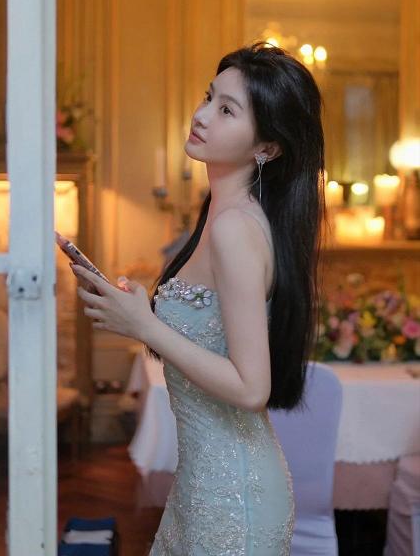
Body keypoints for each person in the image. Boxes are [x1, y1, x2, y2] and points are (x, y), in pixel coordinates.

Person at [72, 41, 326, 555]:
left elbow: (252, 388)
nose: (201, 115)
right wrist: (137, 311)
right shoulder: (219, 214)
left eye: (226, 110)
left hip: (234, 499)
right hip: (203, 485)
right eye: (209, 97)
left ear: (267, 148)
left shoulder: (235, 228)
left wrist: (144, 325)